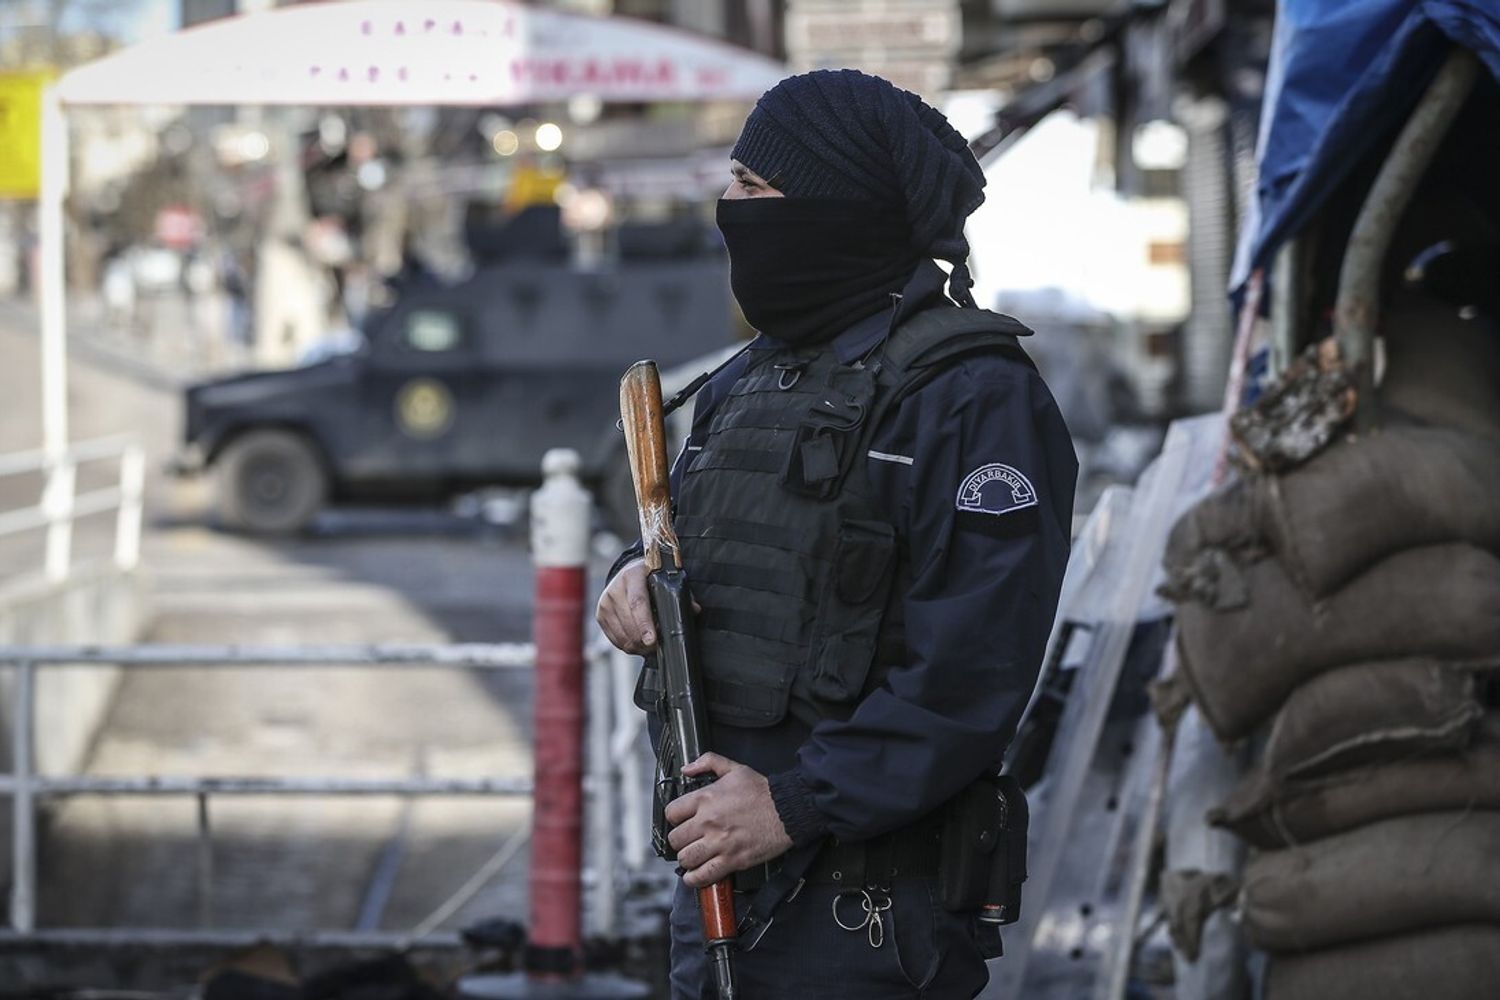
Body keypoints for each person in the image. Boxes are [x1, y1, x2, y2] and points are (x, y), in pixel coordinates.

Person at [597, 69, 1077, 999]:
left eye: (755, 188)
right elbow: (705, 540)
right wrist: (636, 579)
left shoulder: (972, 399)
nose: (728, 208)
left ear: (835, 207)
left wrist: (790, 805)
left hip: (868, 910)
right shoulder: (753, 380)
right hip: (724, 881)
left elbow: (972, 673)